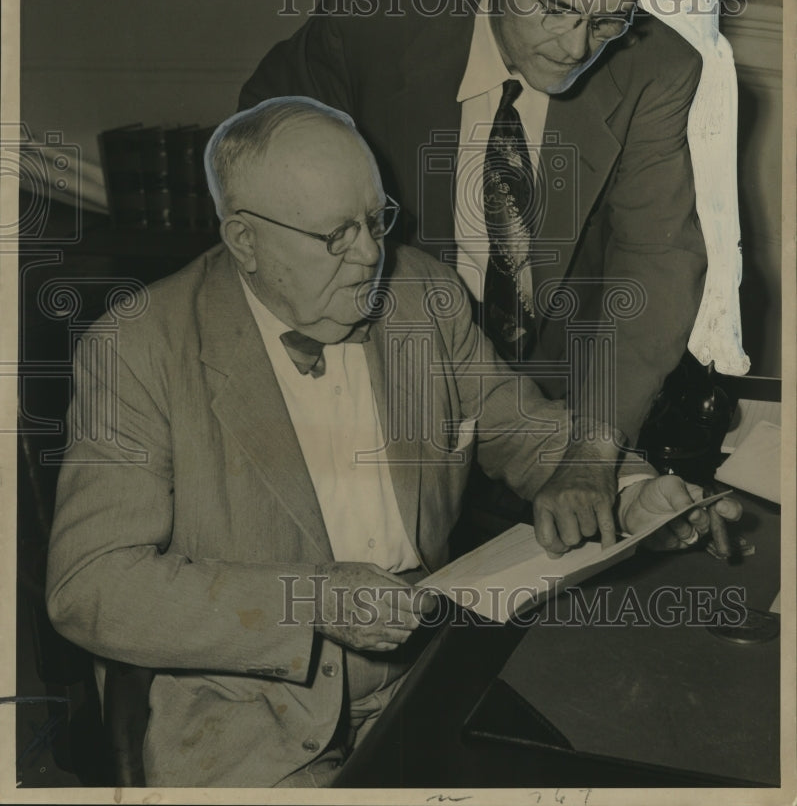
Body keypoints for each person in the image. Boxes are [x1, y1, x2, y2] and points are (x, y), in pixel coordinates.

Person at [46, 98, 736, 788]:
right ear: (244, 240)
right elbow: (92, 586)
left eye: (376, 219)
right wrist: (309, 600)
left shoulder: (421, 296)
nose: (371, 255)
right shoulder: (137, 349)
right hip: (242, 711)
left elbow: (520, 425)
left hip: (425, 670)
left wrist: (632, 491)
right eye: (335, 235)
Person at [237, 0, 708, 480]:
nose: (574, 49)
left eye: (605, 21)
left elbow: (655, 261)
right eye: (555, 7)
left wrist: (593, 449)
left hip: (563, 400)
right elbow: (252, 167)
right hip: (386, 383)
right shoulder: (363, 31)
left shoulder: (656, 68)